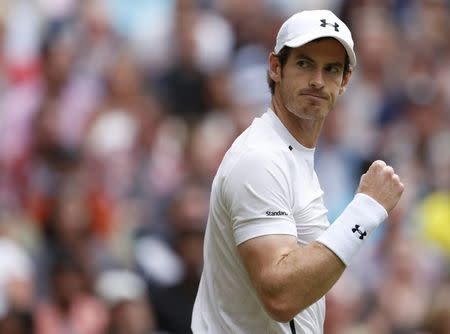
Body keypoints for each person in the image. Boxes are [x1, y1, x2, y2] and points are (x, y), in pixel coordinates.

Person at [191, 9, 404, 334]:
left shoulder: (289, 154)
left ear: (344, 82)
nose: (318, 81)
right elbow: (281, 295)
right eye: (305, 64)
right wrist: (366, 210)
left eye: (331, 69)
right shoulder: (260, 159)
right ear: (276, 68)